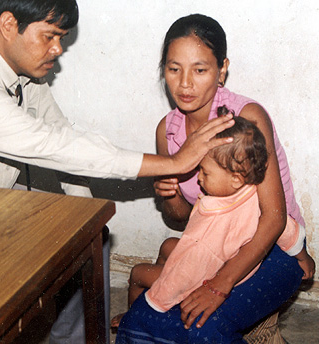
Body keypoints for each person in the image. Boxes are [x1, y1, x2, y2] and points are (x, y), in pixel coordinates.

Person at [0, 2, 235, 344]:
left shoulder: (25, 75)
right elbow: (58, 148)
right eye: (50, 37)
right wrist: (174, 162)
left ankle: (75, 340)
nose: (58, 50)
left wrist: (87, 225)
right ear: (8, 24)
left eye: (62, 38)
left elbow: (63, 139)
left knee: (94, 238)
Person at [116, 14, 315, 343]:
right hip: (217, 245)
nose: (184, 84)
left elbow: (274, 219)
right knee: (142, 320)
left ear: (222, 69)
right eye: (173, 68)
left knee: (204, 327)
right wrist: (169, 195)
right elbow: (181, 217)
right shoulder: (168, 131)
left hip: (276, 249)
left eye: (200, 70)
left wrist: (219, 286)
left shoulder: (245, 120)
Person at [111, 111, 312, 326]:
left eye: (205, 173)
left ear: (235, 178)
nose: (199, 178)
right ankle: (157, 285)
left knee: (138, 273)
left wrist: (158, 297)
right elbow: (287, 229)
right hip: (223, 259)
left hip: (196, 276)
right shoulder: (252, 196)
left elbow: (185, 272)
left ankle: (133, 315)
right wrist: (303, 258)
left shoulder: (208, 230)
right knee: (169, 245)